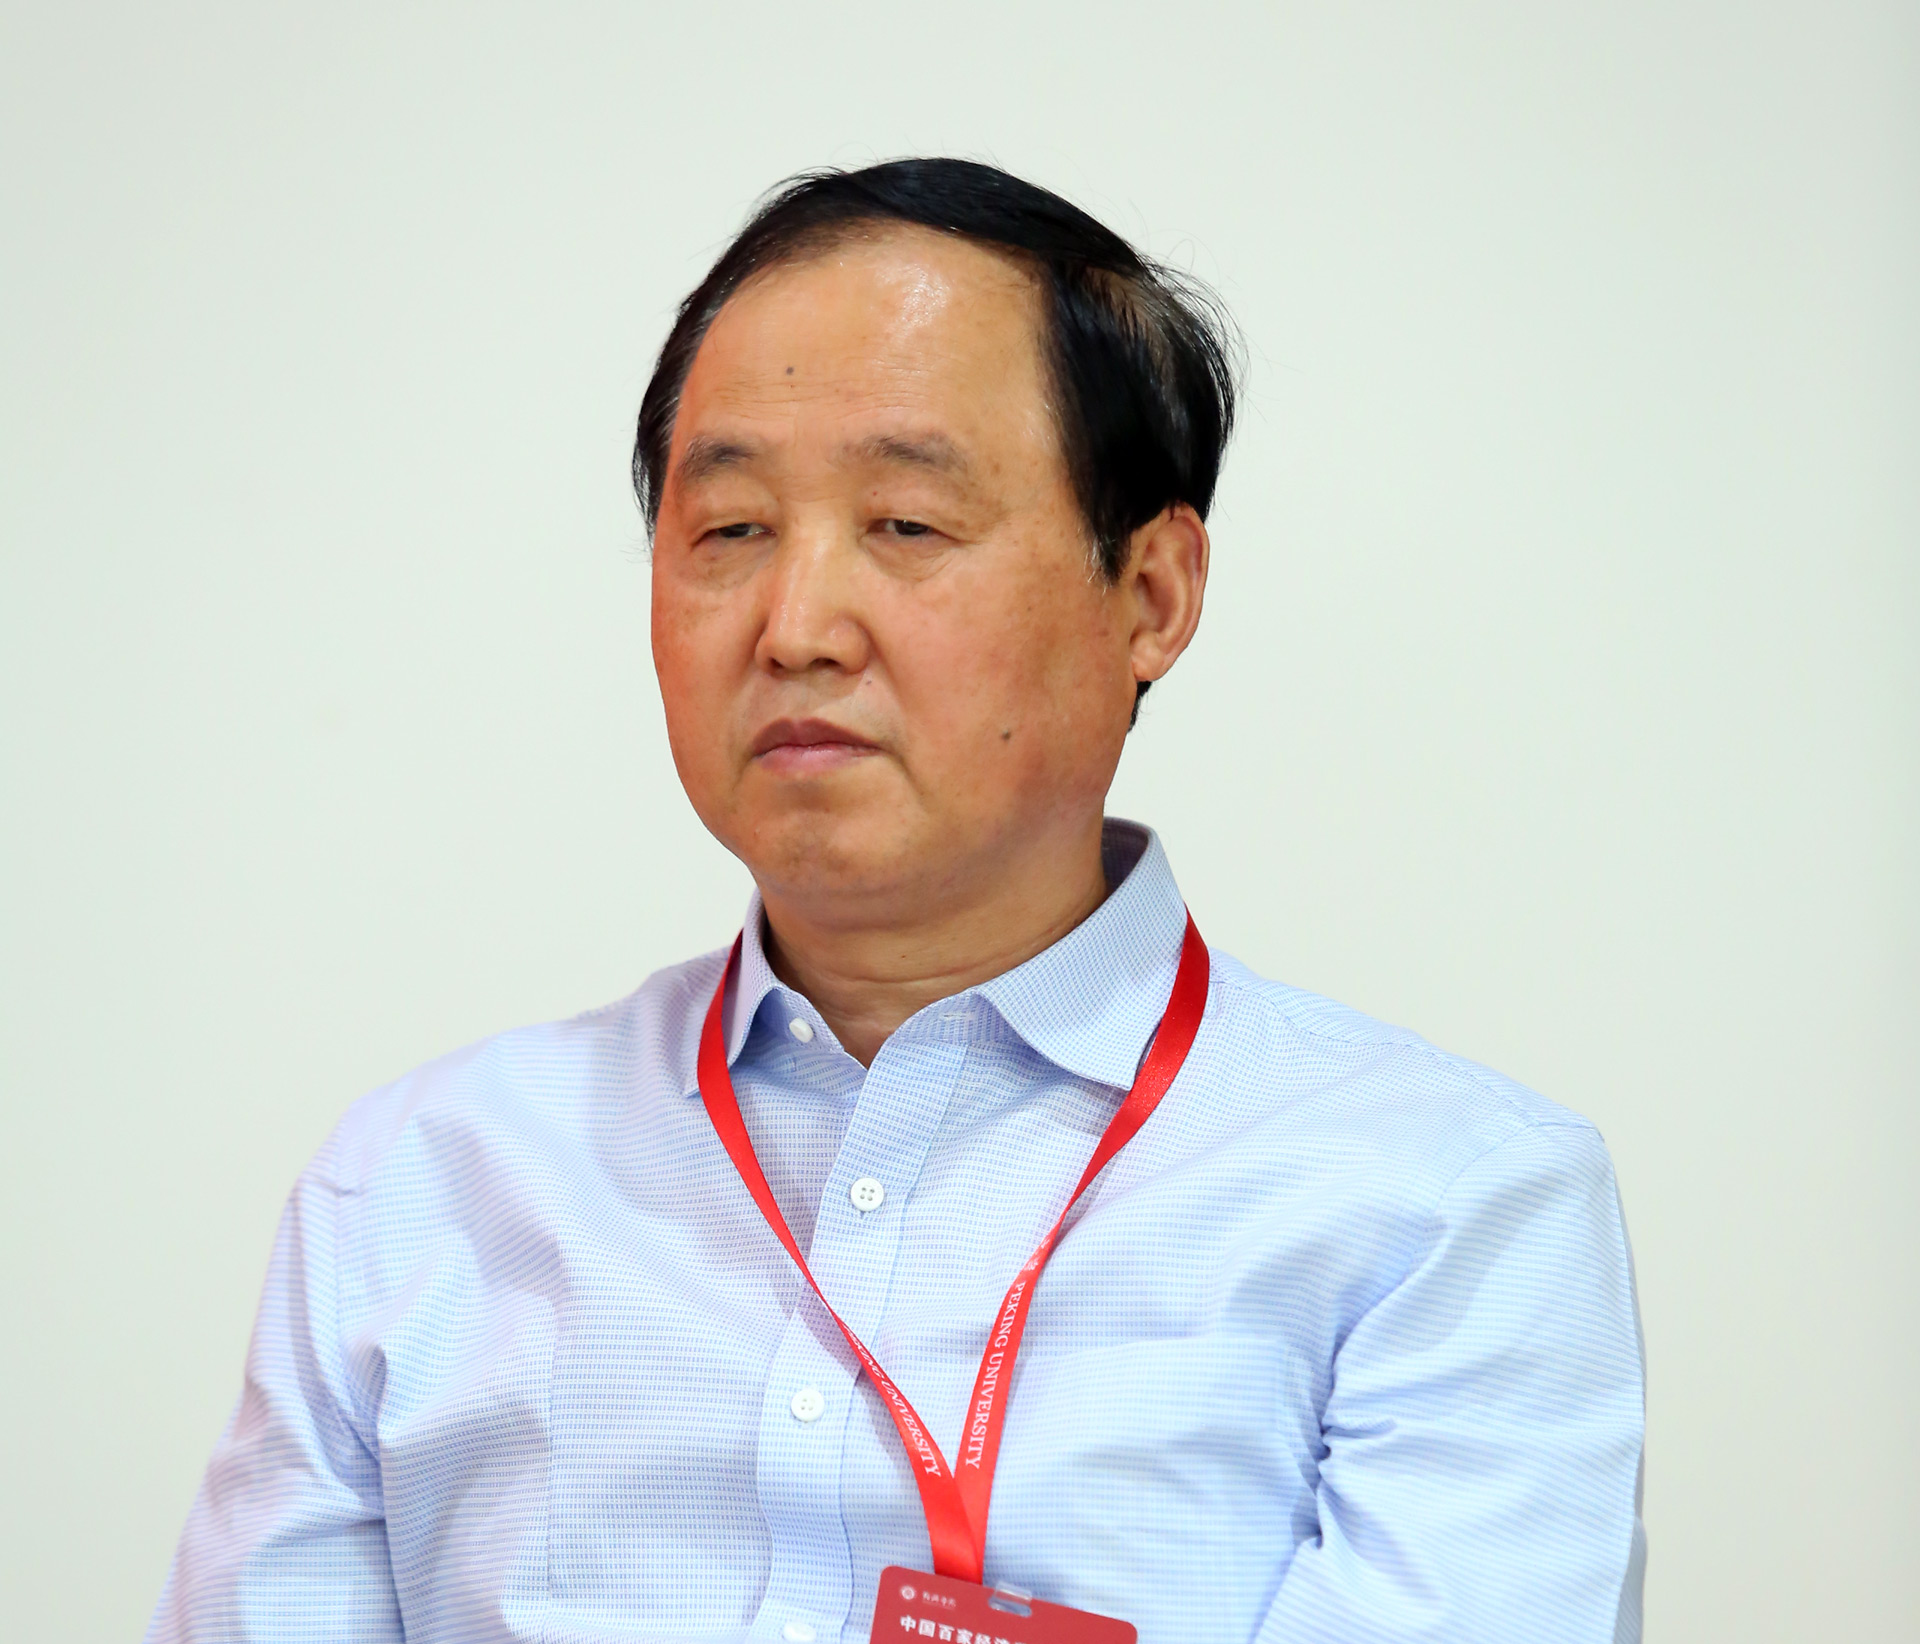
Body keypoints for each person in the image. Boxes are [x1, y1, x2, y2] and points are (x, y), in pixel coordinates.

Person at [148, 159, 1646, 1644]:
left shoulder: (1442, 1208)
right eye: (730, 532)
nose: (796, 627)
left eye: (907, 526)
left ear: (1151, 595)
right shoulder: (419, 1188)